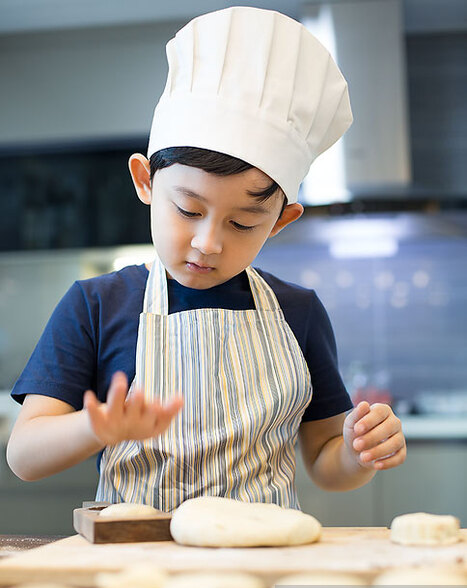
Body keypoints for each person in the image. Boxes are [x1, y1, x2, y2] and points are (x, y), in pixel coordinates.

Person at [7, 7, 406, 512]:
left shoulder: (298, 312)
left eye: (242, 223)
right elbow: (23, 454)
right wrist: (94, 426)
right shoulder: (95, 304)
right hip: (136, 568)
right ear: (145, 181)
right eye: (189, 210)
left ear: (281, 221)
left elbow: (325, 461)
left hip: (265, 563)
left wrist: (356, 452)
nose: (207, 243)